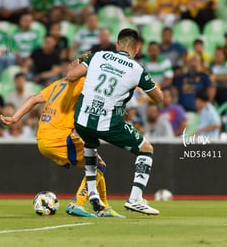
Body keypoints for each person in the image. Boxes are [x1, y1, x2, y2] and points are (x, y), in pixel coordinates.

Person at [0, 54, 123, 218]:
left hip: (43, 140)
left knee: (98, 165)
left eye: (76, 62)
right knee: (98, 166)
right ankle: (77, 203)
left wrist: (15, 117)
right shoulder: (82, 83)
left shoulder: (57, 85)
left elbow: (34, 98)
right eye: (75, 62)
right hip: (59, 137)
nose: (72, 64)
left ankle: (103, 207)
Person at [67, 28, 163, 215]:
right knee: (146, 149)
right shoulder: (137, 69)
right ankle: (135, 199)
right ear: (137, 49)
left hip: (81, 119)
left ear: (117, 45)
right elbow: (158, 97)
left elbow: (70, 75)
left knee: (90, 144)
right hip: (107, 123)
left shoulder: (98, 56)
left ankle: (93, 193)